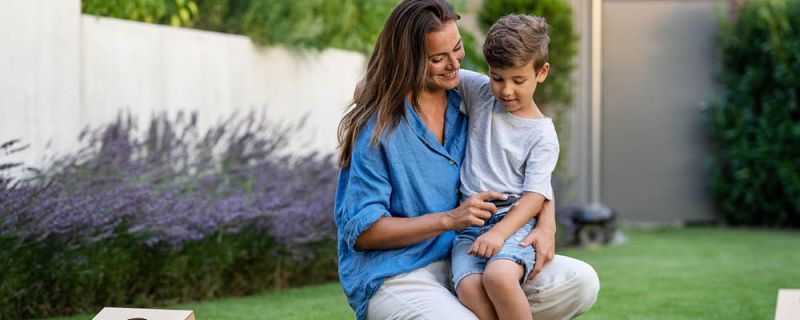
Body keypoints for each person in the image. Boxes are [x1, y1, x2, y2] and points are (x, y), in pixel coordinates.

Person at [334, 1, 599, 319]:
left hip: (467, 251)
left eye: (457, 49)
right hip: (400, 271)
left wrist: (547, 222)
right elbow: (363, 234)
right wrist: (451, 219)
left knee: (580, 281)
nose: (453, 65)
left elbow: (525, 167)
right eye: (437, 59)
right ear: (409, 60)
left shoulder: (470, 97)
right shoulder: (378, 128)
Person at [451, 14, 559, 320]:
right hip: (468, 226)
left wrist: (498, 233)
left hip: (513, 222)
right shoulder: (481, 91)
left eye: (518, 80)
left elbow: (535, 197)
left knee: (498, 277)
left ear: (542, 72)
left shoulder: (542, 135)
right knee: (469, 288)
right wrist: (373, 82)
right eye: (497, 77)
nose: (506, 90)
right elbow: (437, 72)